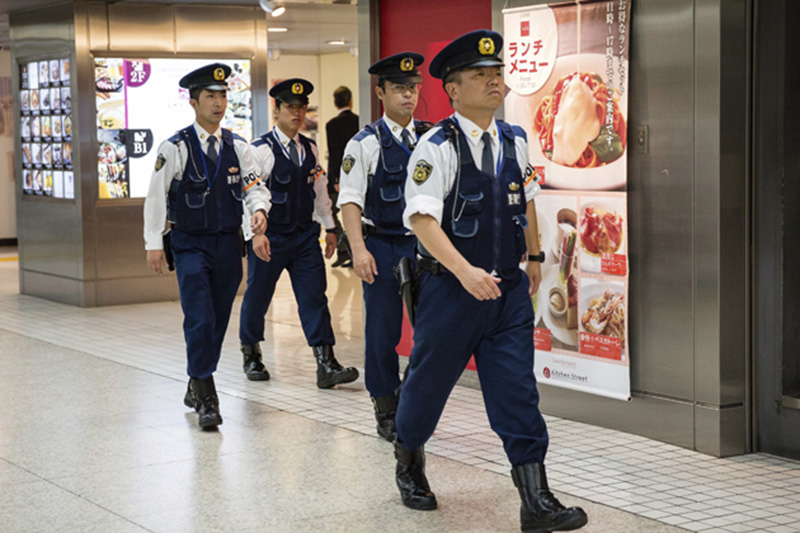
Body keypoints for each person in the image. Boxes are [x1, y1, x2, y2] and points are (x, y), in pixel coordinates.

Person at [392, 31, 589, 533]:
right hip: (450, 293)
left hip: (506, 296)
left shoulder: (515, 140)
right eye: (480, 75)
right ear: (452, 90)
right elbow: (422, 221)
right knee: (427, 385)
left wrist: (538, 257)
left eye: (496, 73)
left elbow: (526, 204)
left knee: (518, 392)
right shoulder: (435, 147)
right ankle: (409, 461)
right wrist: (464, 271)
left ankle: (536, 500)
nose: (493, 81)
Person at [143, 63, 270, 430]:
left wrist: (259, 213)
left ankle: (195, 380)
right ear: (194, 102)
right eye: (210, 97)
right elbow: (155, 196)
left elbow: (253, 186)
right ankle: (207, 395)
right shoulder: (176, 147)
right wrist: (154, 242)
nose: (218, 103)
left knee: (216, 319)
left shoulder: (238, 146)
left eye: (223, 96)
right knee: (198, 317)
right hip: (190, 245)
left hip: (230, 244)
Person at [238, 78, 359, 388]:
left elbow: (319, 191)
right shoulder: (259, 150)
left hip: (305, 236)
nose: (298, 113)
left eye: (302, 107)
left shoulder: (310, 147)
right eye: (291, 107)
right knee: (258, 295)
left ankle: (325, 362)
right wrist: (255, 234)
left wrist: (331, 227)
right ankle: (251, 352)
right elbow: (248, 196)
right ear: (276, 109)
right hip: (271, 236)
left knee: (314, 296)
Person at [337, 52, 426, 442]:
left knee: (433, 329)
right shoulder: (365, 144)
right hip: (383, 245)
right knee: (382, 332)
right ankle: (385, 404)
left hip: (425, 248)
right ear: (380, 92)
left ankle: (412, 396)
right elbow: (350, 201)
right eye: (399, 88)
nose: (408, 95)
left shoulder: (431, 137)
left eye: (413, 87)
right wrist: (358, 249)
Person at [325, 85, 360, 268]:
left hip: (338, 178)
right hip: (358, 176)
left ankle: (344, 249)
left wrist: (337, 179)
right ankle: (351, 251)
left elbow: (335, 153)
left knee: (331, 213)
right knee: (358, 213)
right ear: (351, 101)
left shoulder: (332, 125)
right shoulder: (360, 121)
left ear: (335, 103)